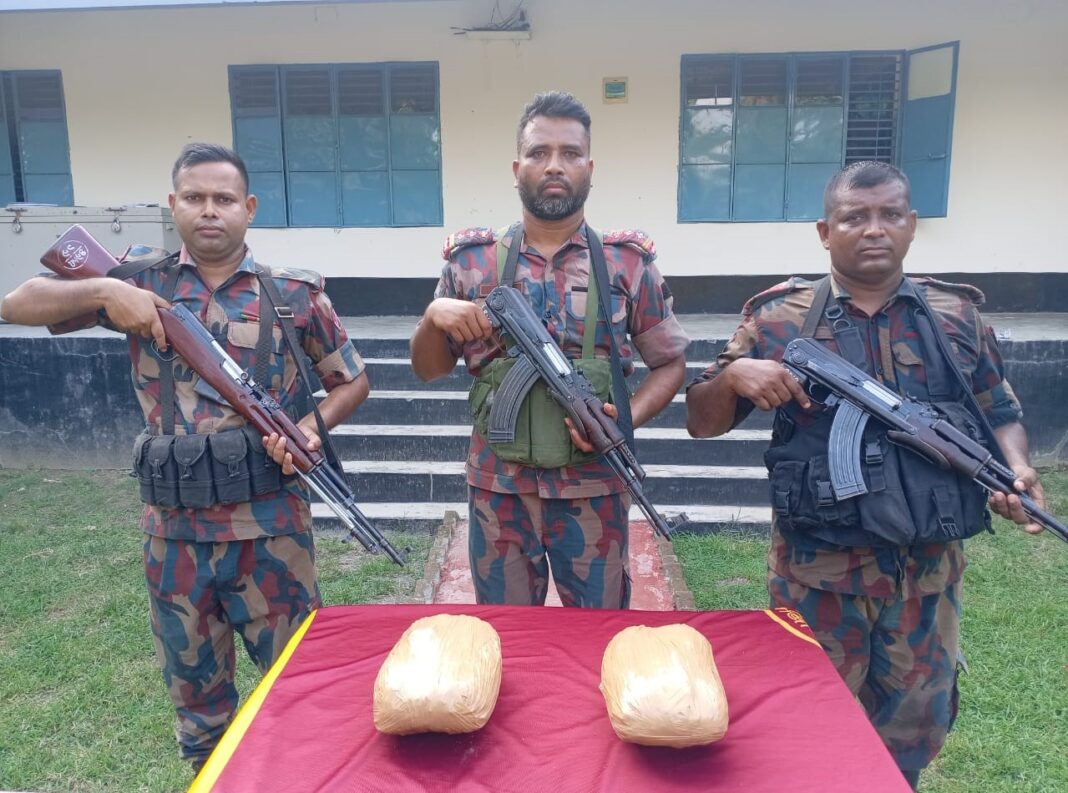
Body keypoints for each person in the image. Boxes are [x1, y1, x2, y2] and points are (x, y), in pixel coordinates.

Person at [0, 143, 369, 772]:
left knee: (301, 694)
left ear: (249, 208)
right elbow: (17, 303)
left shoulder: (292, 293)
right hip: (174, 537)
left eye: (224, 199)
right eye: (194, 197)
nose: (209, 210)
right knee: (200, 715)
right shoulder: (138, 282)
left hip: (270, 529)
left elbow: (352, 381)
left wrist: (308, 431)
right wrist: (106, 290)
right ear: (173, 205)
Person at [685, 161, 1045, 789]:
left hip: (926, 582)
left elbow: (1000, 412)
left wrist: (1015, 468)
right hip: (815, 578)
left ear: (912, 224)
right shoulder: (779, 319)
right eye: (855, 217)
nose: (874, 229)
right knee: (804, 735)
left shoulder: (955, 317)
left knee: (912, 737)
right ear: (826, 232)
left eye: (890, 214)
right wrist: (733, 376)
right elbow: (701, 422)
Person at [410, 91, 688, 608]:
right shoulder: (471, 264)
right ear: (517, 168)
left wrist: (621, 421)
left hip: (595, 486)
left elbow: (670, 363)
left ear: (590, 168)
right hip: (499, 490)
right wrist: (432, 318)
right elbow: (428, 370)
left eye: (570, 153)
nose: (554, 165)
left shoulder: (627, 265)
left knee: (599, 634)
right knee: (507, 635)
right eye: (539, 153)